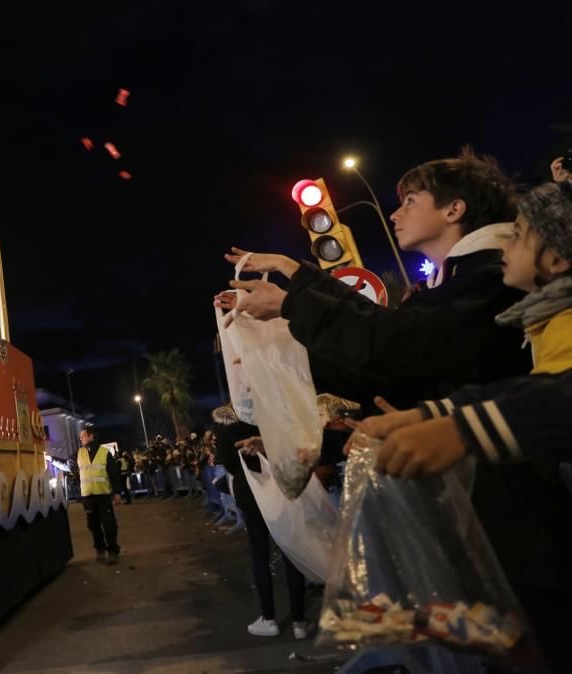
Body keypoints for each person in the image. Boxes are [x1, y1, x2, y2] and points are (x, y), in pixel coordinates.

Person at [351, 181, 572, 674]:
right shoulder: (540, 321)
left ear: (556, 260)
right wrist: (432, 415)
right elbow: (520, 391)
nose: (505, 246)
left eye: (517, 235)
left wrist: (462, 428)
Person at [216, 148, 528, 414]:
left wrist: (289, 304)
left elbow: (390, 342)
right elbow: (375, 366)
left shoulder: (496, 275)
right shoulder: (454, 281)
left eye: (410, 202)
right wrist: (278, 350)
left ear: (453, 209)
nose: (395, 215)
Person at [211, 405, 309, 639]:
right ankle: (299, 622)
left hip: (250, 488)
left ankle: (269, 618)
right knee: (290, 550)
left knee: (260, 554)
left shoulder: (227, 425)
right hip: (280, 484)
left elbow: (228, 462)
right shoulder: (269, 409)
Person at [77, 425, 122, 564]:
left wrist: (117, 492)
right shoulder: (79, 452)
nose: (81, 438)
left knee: (109, 524)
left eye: (83, 436)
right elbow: (69, 464)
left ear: (91, 436)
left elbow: (113, 473)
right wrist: (50, 458)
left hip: (103, 495)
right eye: (80, 436)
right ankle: (100, 550)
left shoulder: (104, 452)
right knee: (93, 525)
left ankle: (113, 551)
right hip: (88, 497)